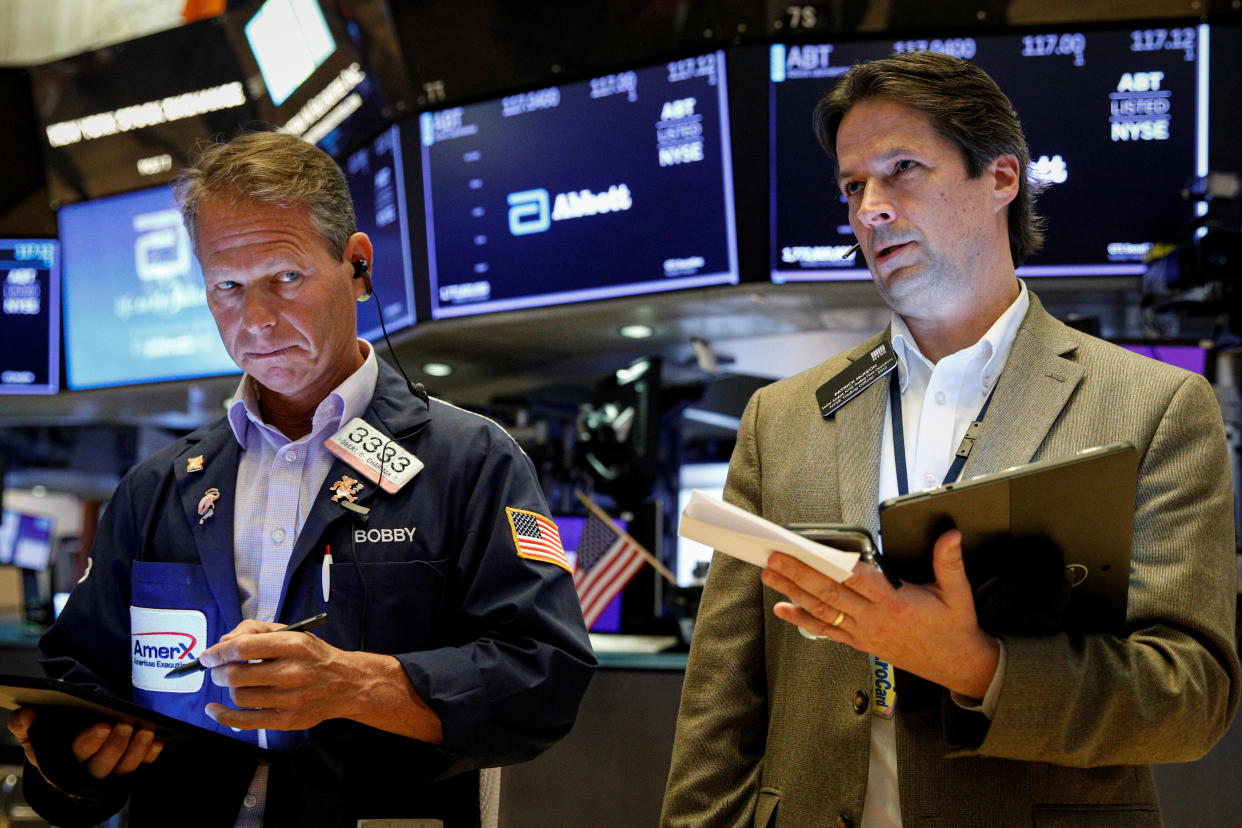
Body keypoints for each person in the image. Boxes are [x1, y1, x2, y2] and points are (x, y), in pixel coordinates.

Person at [662, 51, 1238, 828]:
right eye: (853, 186)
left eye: (903, 169)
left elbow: (1189, 695)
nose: (871, 208)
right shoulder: (783, 416)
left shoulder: (1154, 405)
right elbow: (720, 701)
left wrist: (974, 664)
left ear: (1002, 179)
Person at [9, 131, 595, 827]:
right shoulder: (157, 486)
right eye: (227, 286)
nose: (255, 319)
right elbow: (80, 680)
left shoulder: (471, 461)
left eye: (286, 277)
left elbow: (543, 678)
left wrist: (355, 685)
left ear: (357, 265)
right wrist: (75, 759)